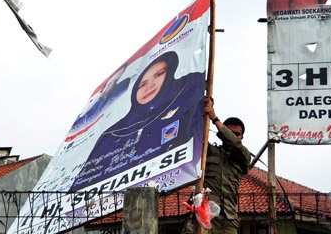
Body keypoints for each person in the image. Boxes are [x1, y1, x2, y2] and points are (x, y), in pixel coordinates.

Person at [70, 51, 206, 191]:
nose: (149, 86)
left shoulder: (186, 96)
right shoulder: (113, 134)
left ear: (170, 73)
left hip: (174, 188)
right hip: (114, 205)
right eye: (142, 85)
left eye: (159, 74)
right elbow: (78, 189)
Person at [183, 97, 251, 234]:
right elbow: (195, 133)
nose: (233, 136)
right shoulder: (209, 152)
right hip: (205, 212)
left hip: (229, 219)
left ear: (241, 137)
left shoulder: (243, 157)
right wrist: (204, 111)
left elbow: (235, 145)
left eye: (236, 134)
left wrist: (215, 119)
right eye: (229, 132)